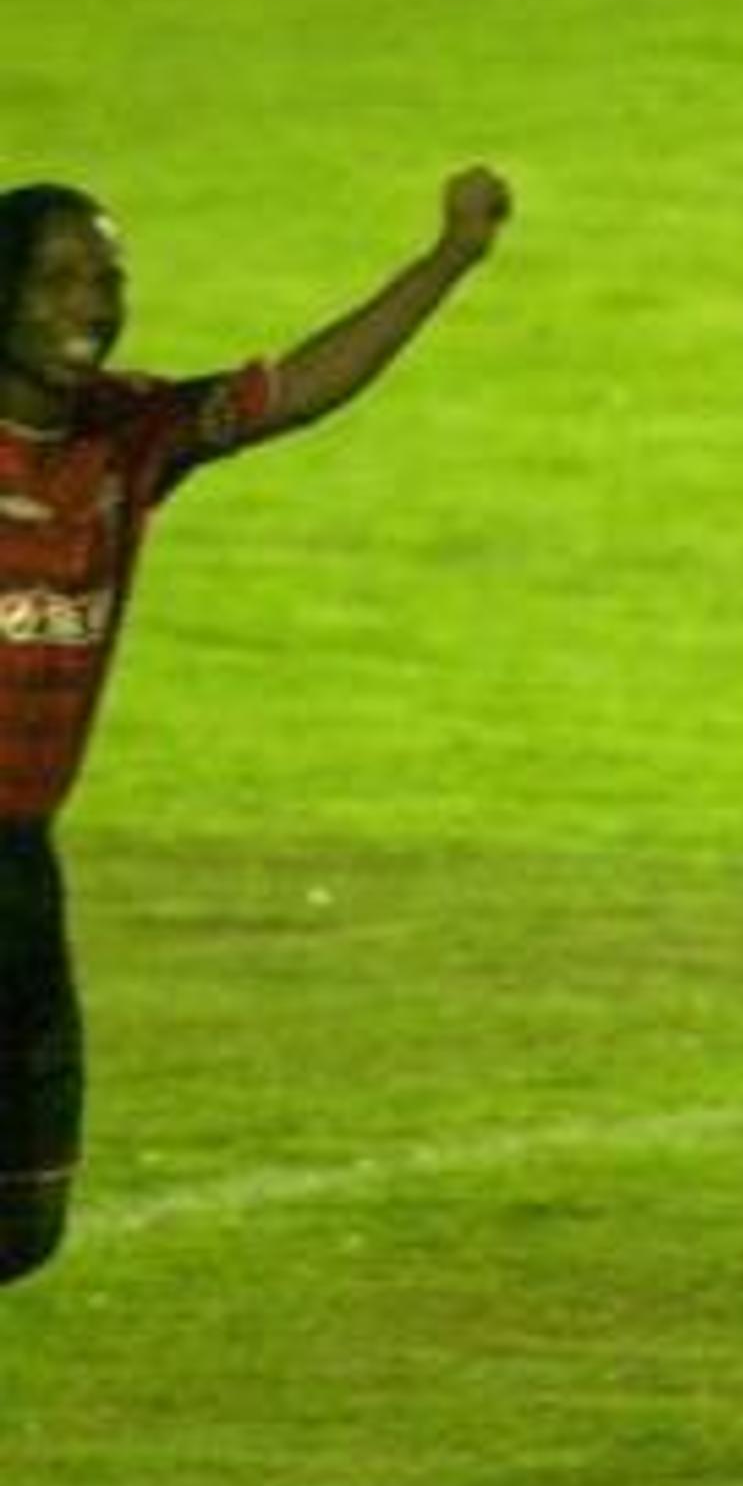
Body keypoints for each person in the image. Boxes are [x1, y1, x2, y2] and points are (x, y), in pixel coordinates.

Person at [2, 168, 514, 1287]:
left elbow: (290, 390)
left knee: (20, 1232)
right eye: (56, 279)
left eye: (107, 279)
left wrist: (445, 263)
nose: (89, 301)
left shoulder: (126, 437)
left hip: (19, 873)